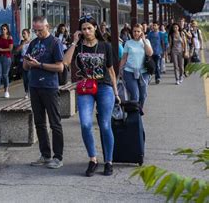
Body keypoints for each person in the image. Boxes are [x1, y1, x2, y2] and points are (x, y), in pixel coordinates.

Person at [63, 15, 119, 177]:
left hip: (104, 87)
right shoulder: (78, 47)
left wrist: (116, 92)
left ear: (95, 28)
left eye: (89, 28)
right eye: (83, 29)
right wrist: (74, 41)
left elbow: (111, 70)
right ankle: (93, 159)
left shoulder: (105, 46)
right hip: (86, 88)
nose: (87, 31)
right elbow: (65, 62)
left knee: (105, 125)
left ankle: (108, 161)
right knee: (86, 124)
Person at [23, 16, 64, 169]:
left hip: (49, 87)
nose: (37, 33)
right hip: (34, 86)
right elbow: (26, 67)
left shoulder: (55, 43)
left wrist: (39, 64)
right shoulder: (33, 43)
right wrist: (27, 63)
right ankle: (45, 155)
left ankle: (58, 157)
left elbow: (59, 67)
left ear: (48, 27)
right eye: (35, 30)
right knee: (39, 123)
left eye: (40, 30)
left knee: (55, 123)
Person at [119, 24, 153, 110]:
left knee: (143, 94)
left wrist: (144, 40)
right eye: (134, 31)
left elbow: (150, 53)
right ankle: (135, 113)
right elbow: (124, 58)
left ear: (142, 32)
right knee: (135, 94)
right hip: (129, 71)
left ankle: (139, 109)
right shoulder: (128, 43)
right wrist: (120, 70)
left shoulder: (146, 42)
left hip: (143, 72)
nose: (136, 33)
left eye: (138, 31)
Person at [0, 23, 14, 99]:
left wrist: (1, 49)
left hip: (6, 58)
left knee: (5, 75)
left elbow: (10, 49)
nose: (2, 30)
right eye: (2, 29)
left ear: (7, 30)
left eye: (4, 29)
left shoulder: (9, 38)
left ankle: (6, 91)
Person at [15, 28, 32, 98]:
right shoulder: (21, 42)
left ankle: (30, 92)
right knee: (25, 78)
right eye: (22, 33)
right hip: (22, 61)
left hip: (30, 61)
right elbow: (17, 50)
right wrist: (23, 44)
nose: (23, 35)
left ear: (28, 34)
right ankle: (26, 92)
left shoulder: (32, 42)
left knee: (29, 77)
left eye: (24, 33)